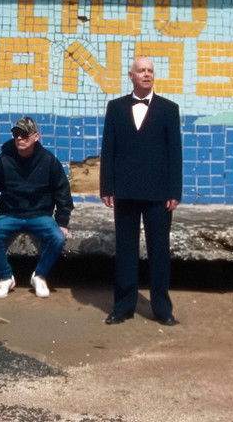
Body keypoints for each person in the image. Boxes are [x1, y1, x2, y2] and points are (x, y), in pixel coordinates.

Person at [100, 56, 182, 325]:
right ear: (131, 76)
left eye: (150, 71)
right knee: (125, 251)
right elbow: (108, 148)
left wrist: (175, 191)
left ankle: (162, 309)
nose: (146, 74)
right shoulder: (115, 107)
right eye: (141, 71)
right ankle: (123, 307)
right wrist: (107, 186)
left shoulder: (169, 109)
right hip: (125, 191)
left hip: (159, 193)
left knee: (159, 251)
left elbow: (175, 152)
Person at [0, 116, 74, 299]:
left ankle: (39, 276)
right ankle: (6, 277)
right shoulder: (3, 160)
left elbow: (62, 191)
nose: (19, 138)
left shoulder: (49, 161)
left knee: (58, 237)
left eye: (24, 134)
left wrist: (62, 222)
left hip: (39, 214)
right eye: (16, 134)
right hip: (9, 214)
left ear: (36, 136)